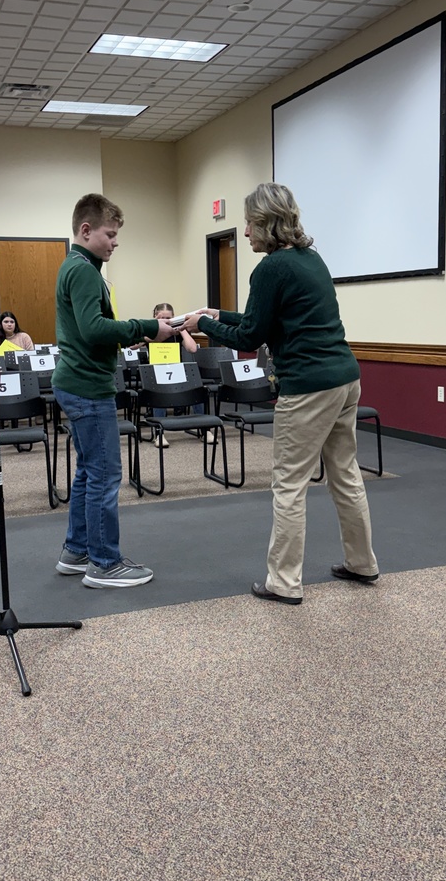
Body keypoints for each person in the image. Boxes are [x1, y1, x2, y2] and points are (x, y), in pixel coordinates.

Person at [182, 182, 378, 606]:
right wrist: (218, 315)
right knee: (345, 474)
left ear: (266, 224)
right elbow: (269, 320)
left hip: (307, 386)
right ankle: (363, 563)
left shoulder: (270, 268)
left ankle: (284, 583)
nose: (246, 232)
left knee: (289, 483)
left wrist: (204, 326)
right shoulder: (311, 260)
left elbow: (252, 335)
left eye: (250, 223)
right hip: (345, 378)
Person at [52, 192, 174, 588]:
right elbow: (94, 330)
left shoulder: (77, 266)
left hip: (78, 381)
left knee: (88, 471)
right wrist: (146, 327)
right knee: (105, 474)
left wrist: (131, 334)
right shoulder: (84, 270)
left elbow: (94, 331)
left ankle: (77, 550)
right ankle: (104, 563)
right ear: (85, 231)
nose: (115, 242)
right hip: (87, 387)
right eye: (110, 234)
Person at [147, 302, 205, 448]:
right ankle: (159, 434)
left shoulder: (177, 333)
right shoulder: (151, 330)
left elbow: (192, 348)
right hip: (157, 373)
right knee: (160, 388)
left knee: (196, 385)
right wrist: (154, 325)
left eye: (170, 318)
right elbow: (135, 344)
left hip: (176, 371)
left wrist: (182, 328)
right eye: (163, 318)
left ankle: (205, 429)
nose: (167, 321)